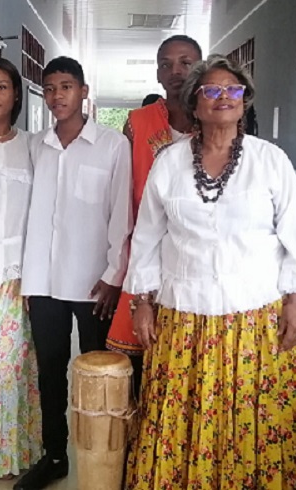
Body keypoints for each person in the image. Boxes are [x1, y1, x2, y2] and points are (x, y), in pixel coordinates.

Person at [125, 55, 296, 489]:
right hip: (184, 321)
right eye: (211, 90)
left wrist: (295, 302)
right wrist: (142, 304)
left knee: (254, 416)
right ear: (194, 103)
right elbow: (147, 239)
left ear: (244, 101)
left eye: (232, 90)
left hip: (256, 319)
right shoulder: (169, 163)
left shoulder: (271, 161)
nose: (223, 98)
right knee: (184, 417)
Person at [14, 56, 132, 490]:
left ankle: (107, 456)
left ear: (84, 92)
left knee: (100, 373)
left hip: (93, 282)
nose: (57, 95)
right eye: (50, 88)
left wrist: (114, 274)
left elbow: (122, 212)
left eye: (66, 86)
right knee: (49, 369)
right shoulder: (35, 146)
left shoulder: (112, 146)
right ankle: (55, 455)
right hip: (44, 280)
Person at [105, 35, 202, 394]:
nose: (176, 71)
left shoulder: (216, 118)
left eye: (186, 62)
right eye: (166, 64)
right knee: (141, 363)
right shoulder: (137, 122)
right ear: (158, 74)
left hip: (197, 258)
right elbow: (121, 196)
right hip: (145, 254)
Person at [0, 57, 42, 481]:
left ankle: (7, 455)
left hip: (13, 277)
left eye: (2, 87)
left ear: (16, 95)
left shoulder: (30, 146)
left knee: (8, 370)